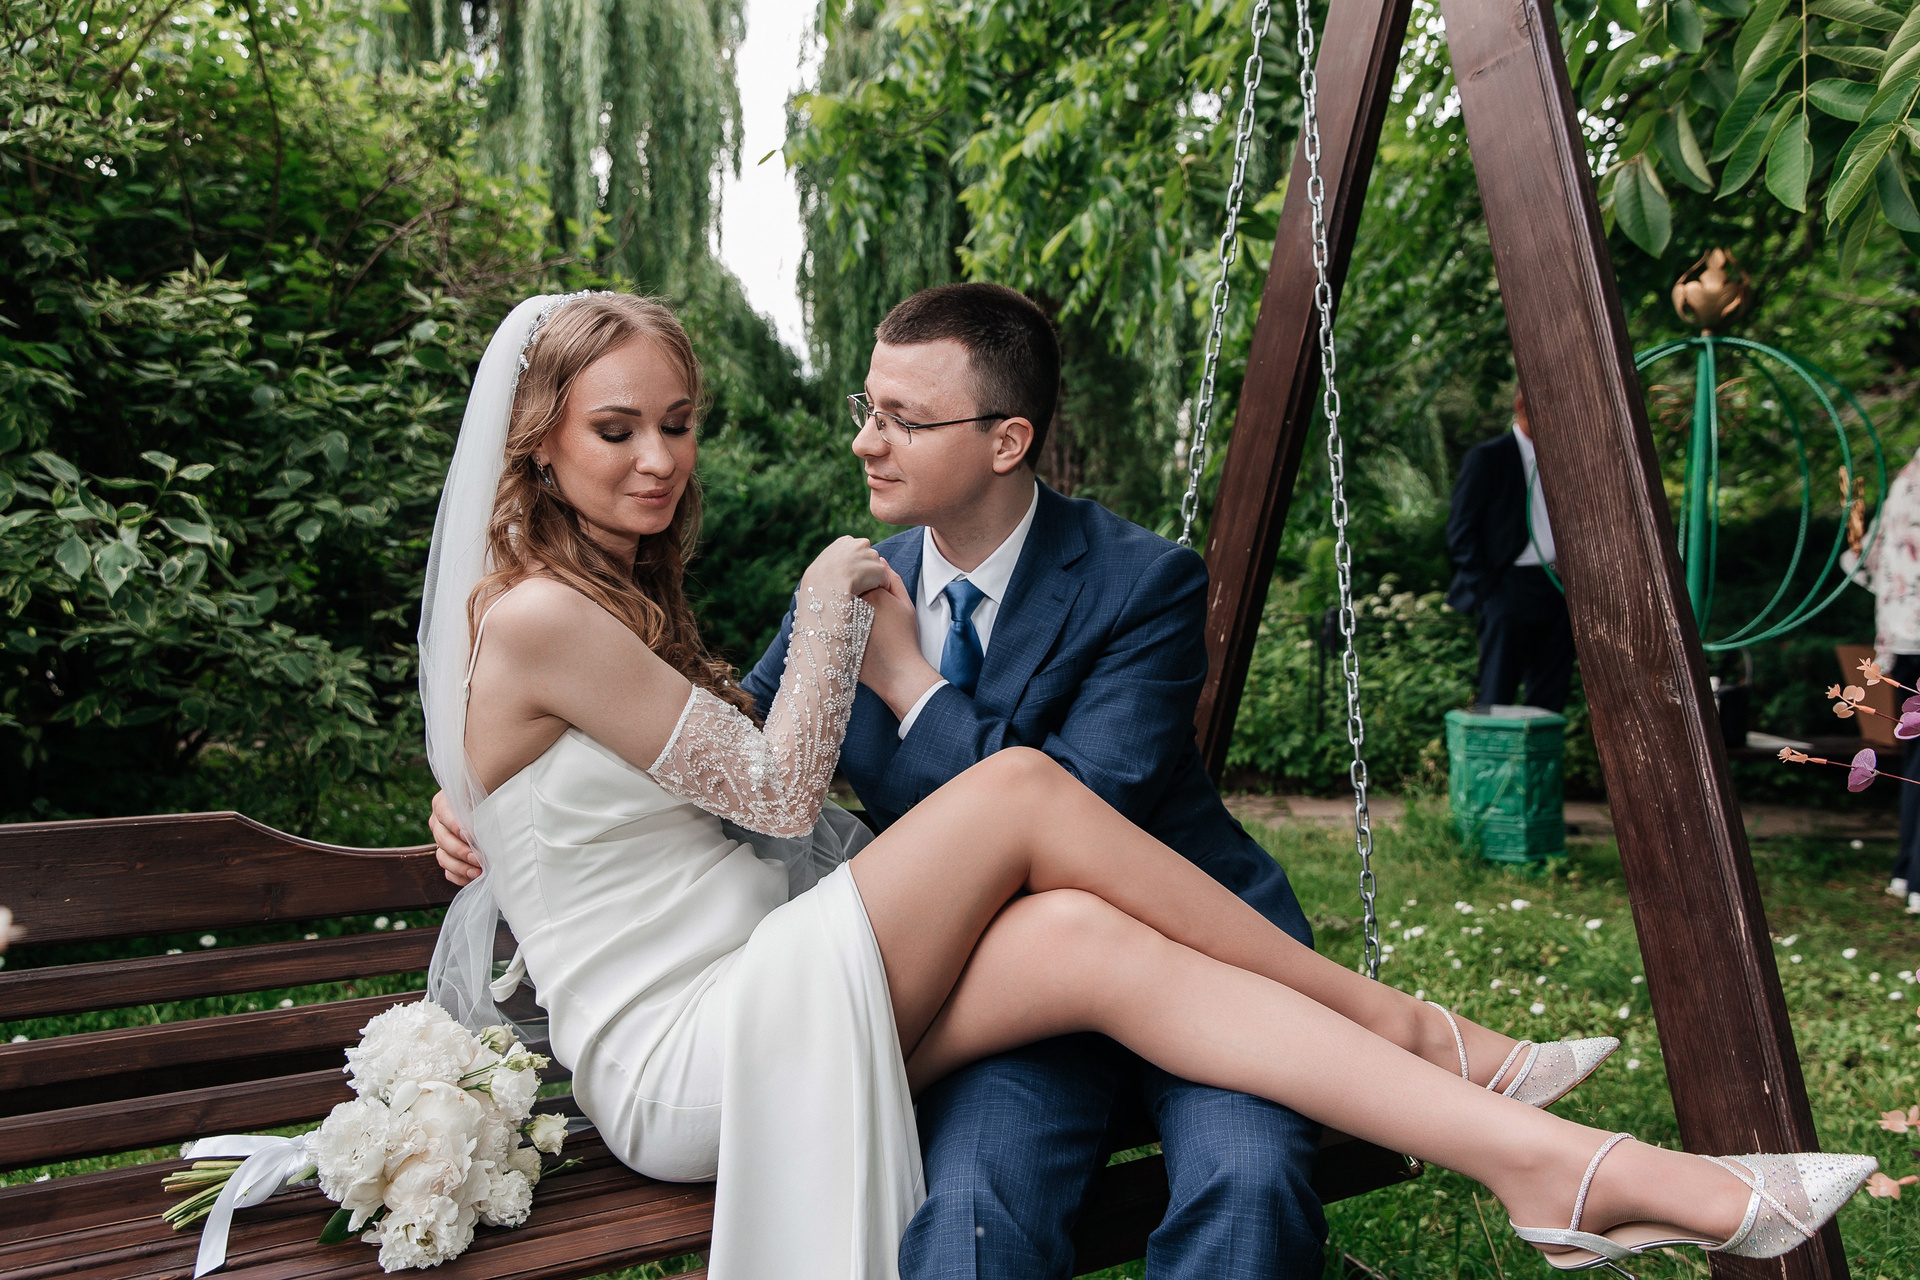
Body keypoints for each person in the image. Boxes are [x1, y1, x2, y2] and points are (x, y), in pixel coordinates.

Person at [422, 292, 1874, 1280]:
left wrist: (496, 803)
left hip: (937, 965)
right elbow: (777, 786)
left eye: (678, 422)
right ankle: (1418, 1032)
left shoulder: (1132, 580)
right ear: (539, 436)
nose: (663, 458)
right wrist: (837, 619)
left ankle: (1553, 1169)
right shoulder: (563, 613)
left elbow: (678, 766)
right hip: (700, 1044)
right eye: (619, 429)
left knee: (1081, 931)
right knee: (1021, 811)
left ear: (1005, 440)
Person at [439, 282, 1350, 1280]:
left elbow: (1083, 819)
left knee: (1248, 1185)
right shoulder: (848, 587)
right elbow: (729, 753)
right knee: (970, 1213)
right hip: (994, 986)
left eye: (902, 420)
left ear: (1006, 441)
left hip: (1194, 950)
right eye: (867, 409)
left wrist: (912, 686)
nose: (865, 441)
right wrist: (491, 780)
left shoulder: (1143, 583)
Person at [1446, 390, 1577, 713]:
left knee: (1551, 694)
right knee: (1497, 692)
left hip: (1559, 587)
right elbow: (1461, 531)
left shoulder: (1566, 458)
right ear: (1521, 405)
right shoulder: (1488, 457)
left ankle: (1544, 746)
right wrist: (1489, 591)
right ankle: (1490, 747)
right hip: (1507, 585)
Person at [1845, 449, 1920, 915]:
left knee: (1917, 755)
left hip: (1904, 639)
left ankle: (1906, 871)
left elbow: (1864, 562)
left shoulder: (1905, 481)